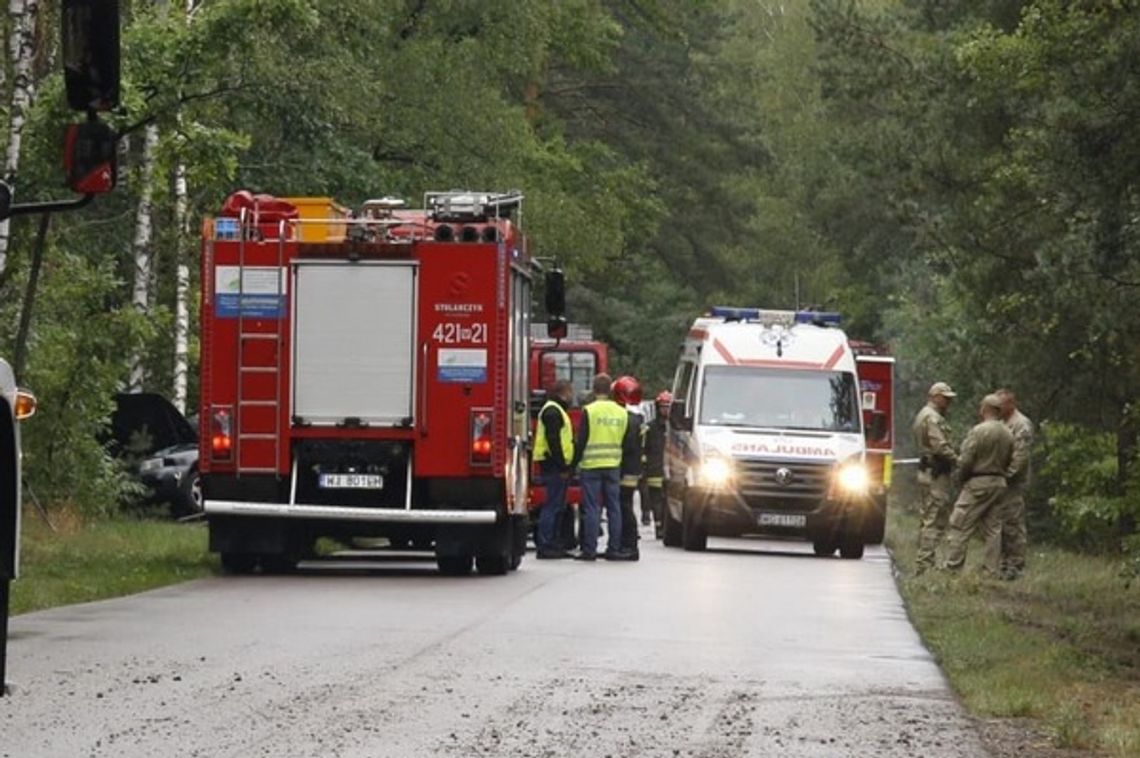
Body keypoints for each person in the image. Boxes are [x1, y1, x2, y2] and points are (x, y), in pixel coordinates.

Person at [942, 394, 1014, 575]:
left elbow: (966, 460)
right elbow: (1010, 459)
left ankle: (953, 567)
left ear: (984, 409)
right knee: (993, 528)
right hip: (999, 483)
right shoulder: (1008, 432)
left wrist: (960, 477)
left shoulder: (979, 431)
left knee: (960, 523)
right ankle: (991, 570)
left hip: (977, 483)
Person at [572, 373, 628, 561]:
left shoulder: (589, 410)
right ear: (610, 390)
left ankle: (589, 550)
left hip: (591, 465)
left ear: (594, 390)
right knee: (614, 508)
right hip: (613, 465)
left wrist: (573, 464)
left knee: (592, 508)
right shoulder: (621, 412)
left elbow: (582, 440)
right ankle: (614, 548)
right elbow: (626, 442)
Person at [913, 381, 959, 574]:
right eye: (945, 398)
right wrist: (958, 459)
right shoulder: (932, 418)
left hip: (928, 471)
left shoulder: (925, 414)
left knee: (928, 516)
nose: (948, 402)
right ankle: (924, 564)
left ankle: (925, 561)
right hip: (935, 473)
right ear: (935, 396)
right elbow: (940, 446)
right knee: (934, 518)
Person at [533, 380, 575, 559]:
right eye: (570, 392)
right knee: (551, 506)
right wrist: (562, 465)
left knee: (556, 505)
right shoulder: (552, 412)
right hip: (554, 465)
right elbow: (554, 442)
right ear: (563, 392)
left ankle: (552, 543)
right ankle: (546, 544)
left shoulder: (555, 410)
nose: (572, 396)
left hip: (554, 464)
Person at [996, 388, 1034, 579]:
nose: (997, 408)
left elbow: (1020, 457)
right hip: (1001, 482)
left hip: (1012, 483)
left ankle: (1016, 565)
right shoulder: (1001, 422)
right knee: (1002, 524)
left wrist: (1007, 476)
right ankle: (1004, 563)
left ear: (1011, 404)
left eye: (1000, 405)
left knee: (1013, 523)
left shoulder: (1021, 425)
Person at [613, 375, 644, 561]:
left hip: (626, 469)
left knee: (624, 506)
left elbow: (627, 446)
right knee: (626, 505)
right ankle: (627, 544)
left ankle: (629, 545)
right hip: (633, 468)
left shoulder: (627, 418)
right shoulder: (637, 417)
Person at [644, 391, 671, 539]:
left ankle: (666, 526)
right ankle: (659, 526)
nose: (665, 410)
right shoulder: (650, 428)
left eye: (668, 407)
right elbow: (644, 450)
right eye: (663, 407)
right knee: (656, 501)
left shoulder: (677, 428)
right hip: (654, 470)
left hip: (671, 470)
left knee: (668, 500)